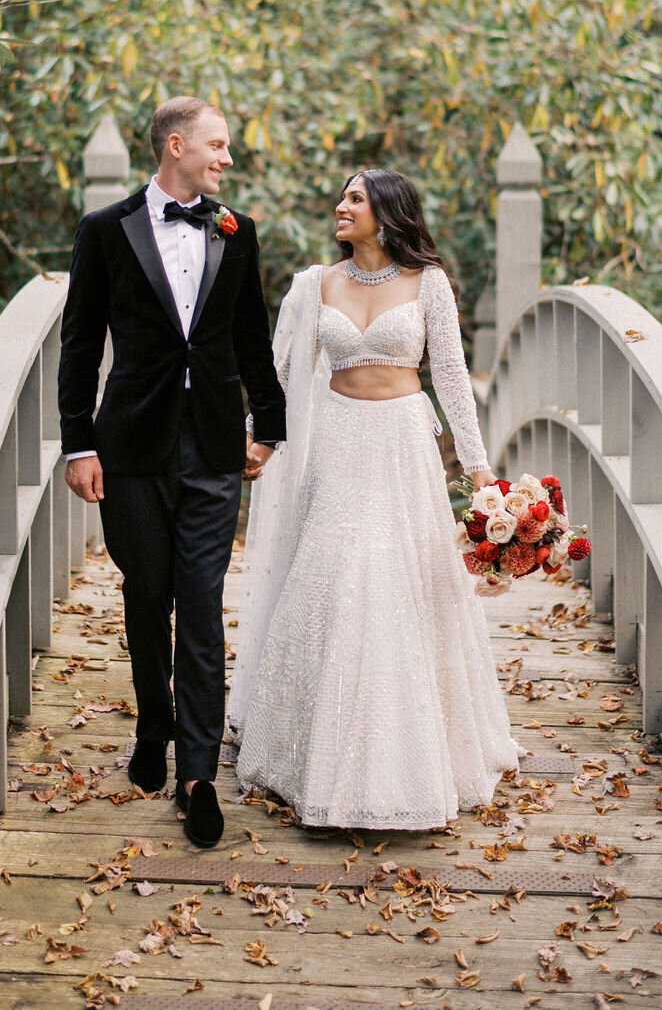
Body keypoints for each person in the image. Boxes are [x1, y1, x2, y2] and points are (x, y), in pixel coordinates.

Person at [228, 168, 520, 830]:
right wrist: (255, 438)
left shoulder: (429, 283)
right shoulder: (315, 285)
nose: (340, 206)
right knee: (334, 577)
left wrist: (479, 471)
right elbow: (277, 372)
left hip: (400, 447)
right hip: (334, 442)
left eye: (354, 198)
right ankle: (315, 759)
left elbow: (449, 375)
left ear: (387, 212)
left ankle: (408, 765)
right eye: (341, 196)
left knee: (392, 581)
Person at [58, 97, 286, 848]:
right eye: (218, 145)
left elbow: (252, 336)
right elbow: (80, 344)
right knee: (148, 590)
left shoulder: (235, 231)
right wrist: (77, 444)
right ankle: (151, 718)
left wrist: (268, 425)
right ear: (177, 145)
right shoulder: (106, 231)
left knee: (201, 595)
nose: (227, 158)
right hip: (131, 445)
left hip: (215, 446)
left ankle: (198, 776)